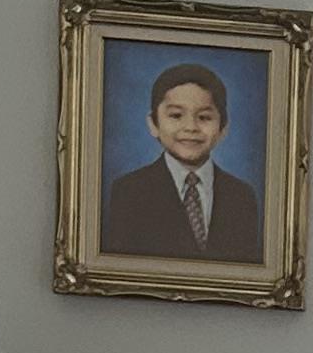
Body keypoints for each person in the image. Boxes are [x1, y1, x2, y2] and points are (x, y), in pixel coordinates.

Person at [103, 58, 262, 261]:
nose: (190, 127)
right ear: (153, 124)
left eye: (204, 117)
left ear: (223, 129)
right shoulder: (129, 191)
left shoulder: (242, 196)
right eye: (176, 115)